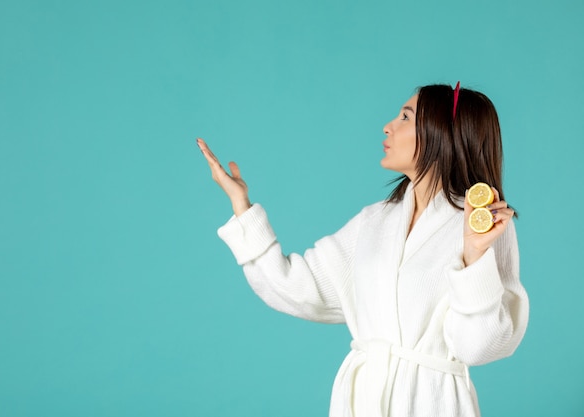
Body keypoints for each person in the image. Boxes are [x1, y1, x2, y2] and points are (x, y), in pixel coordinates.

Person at [197, 83, 529, 417]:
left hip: (432, 403)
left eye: (405, 117)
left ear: (441, 133)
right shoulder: (374, 221)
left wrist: (473, 255)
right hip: (361, 402)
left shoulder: (483, 227)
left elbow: (478, 347)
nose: (388, 125)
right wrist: (242, 206)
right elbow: (295, 287)